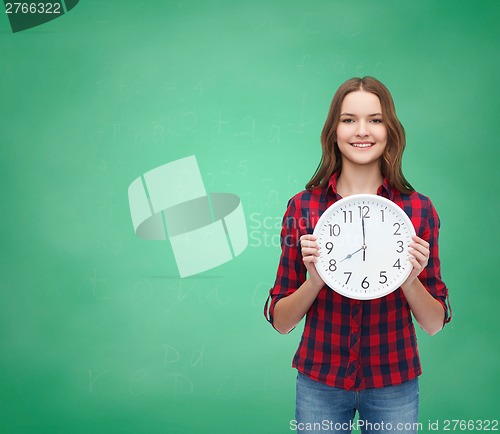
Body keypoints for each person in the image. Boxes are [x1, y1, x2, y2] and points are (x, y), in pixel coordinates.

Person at [264, 76, 452, 434]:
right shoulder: (303, 208)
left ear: (390, 130)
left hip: (393, 380)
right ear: (333, 130)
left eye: (375, 120)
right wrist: (315, 281)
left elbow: (434, 323)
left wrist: (410, 279)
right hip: (320, 379)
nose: (361, 131)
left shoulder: (418, 211)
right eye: (349, 119)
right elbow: (281, 320)